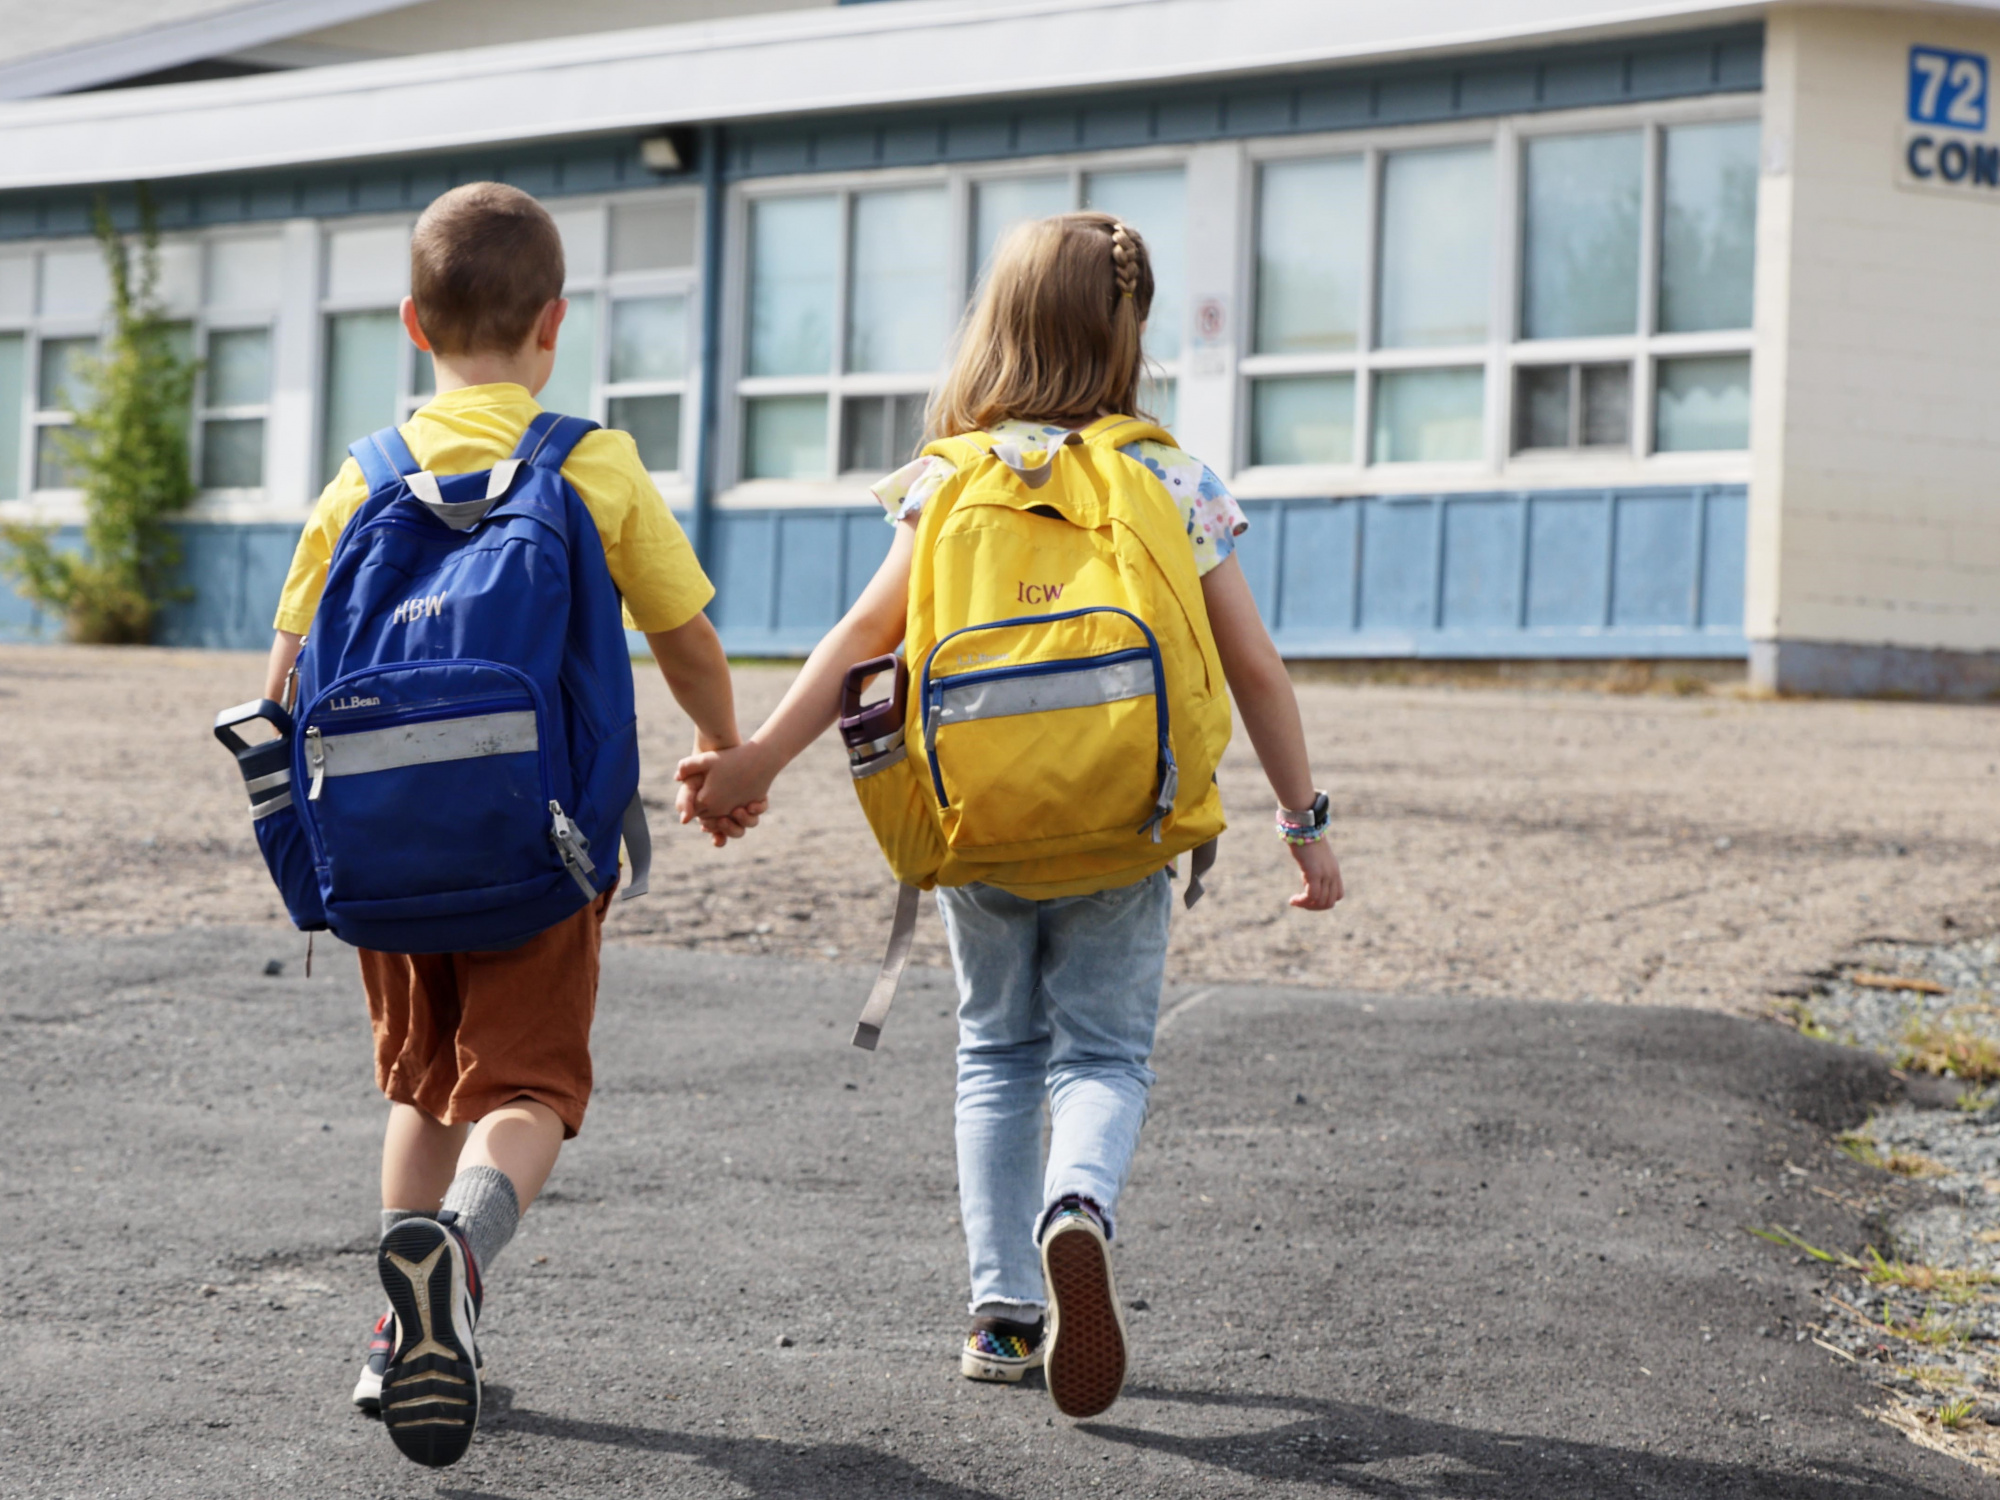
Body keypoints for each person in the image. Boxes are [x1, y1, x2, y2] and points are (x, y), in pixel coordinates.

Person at [676, 211, 1342, 1420]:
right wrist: (1304, 822)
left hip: (976, 827)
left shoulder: (945, 478)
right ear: (1127, 333)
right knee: (1101, 1053)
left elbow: (856, 645)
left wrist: (753, 759)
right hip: (1125, 823)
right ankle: (1074, 1205)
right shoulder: (1168, 476)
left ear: (999, 326)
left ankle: (999, 1320)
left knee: (994, 1052)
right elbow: (1256, 670)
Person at [260, 181, 755, 1468]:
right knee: (523, 1086)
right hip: (545, 854)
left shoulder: (357, 481)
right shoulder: (589, 463)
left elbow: (281, 691)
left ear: (413, 325)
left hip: (384, 857)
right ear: (555, 324)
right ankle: (458, 1263)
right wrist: (724, 753)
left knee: (422, 1085)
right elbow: (684, 637)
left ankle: (391, 1330)